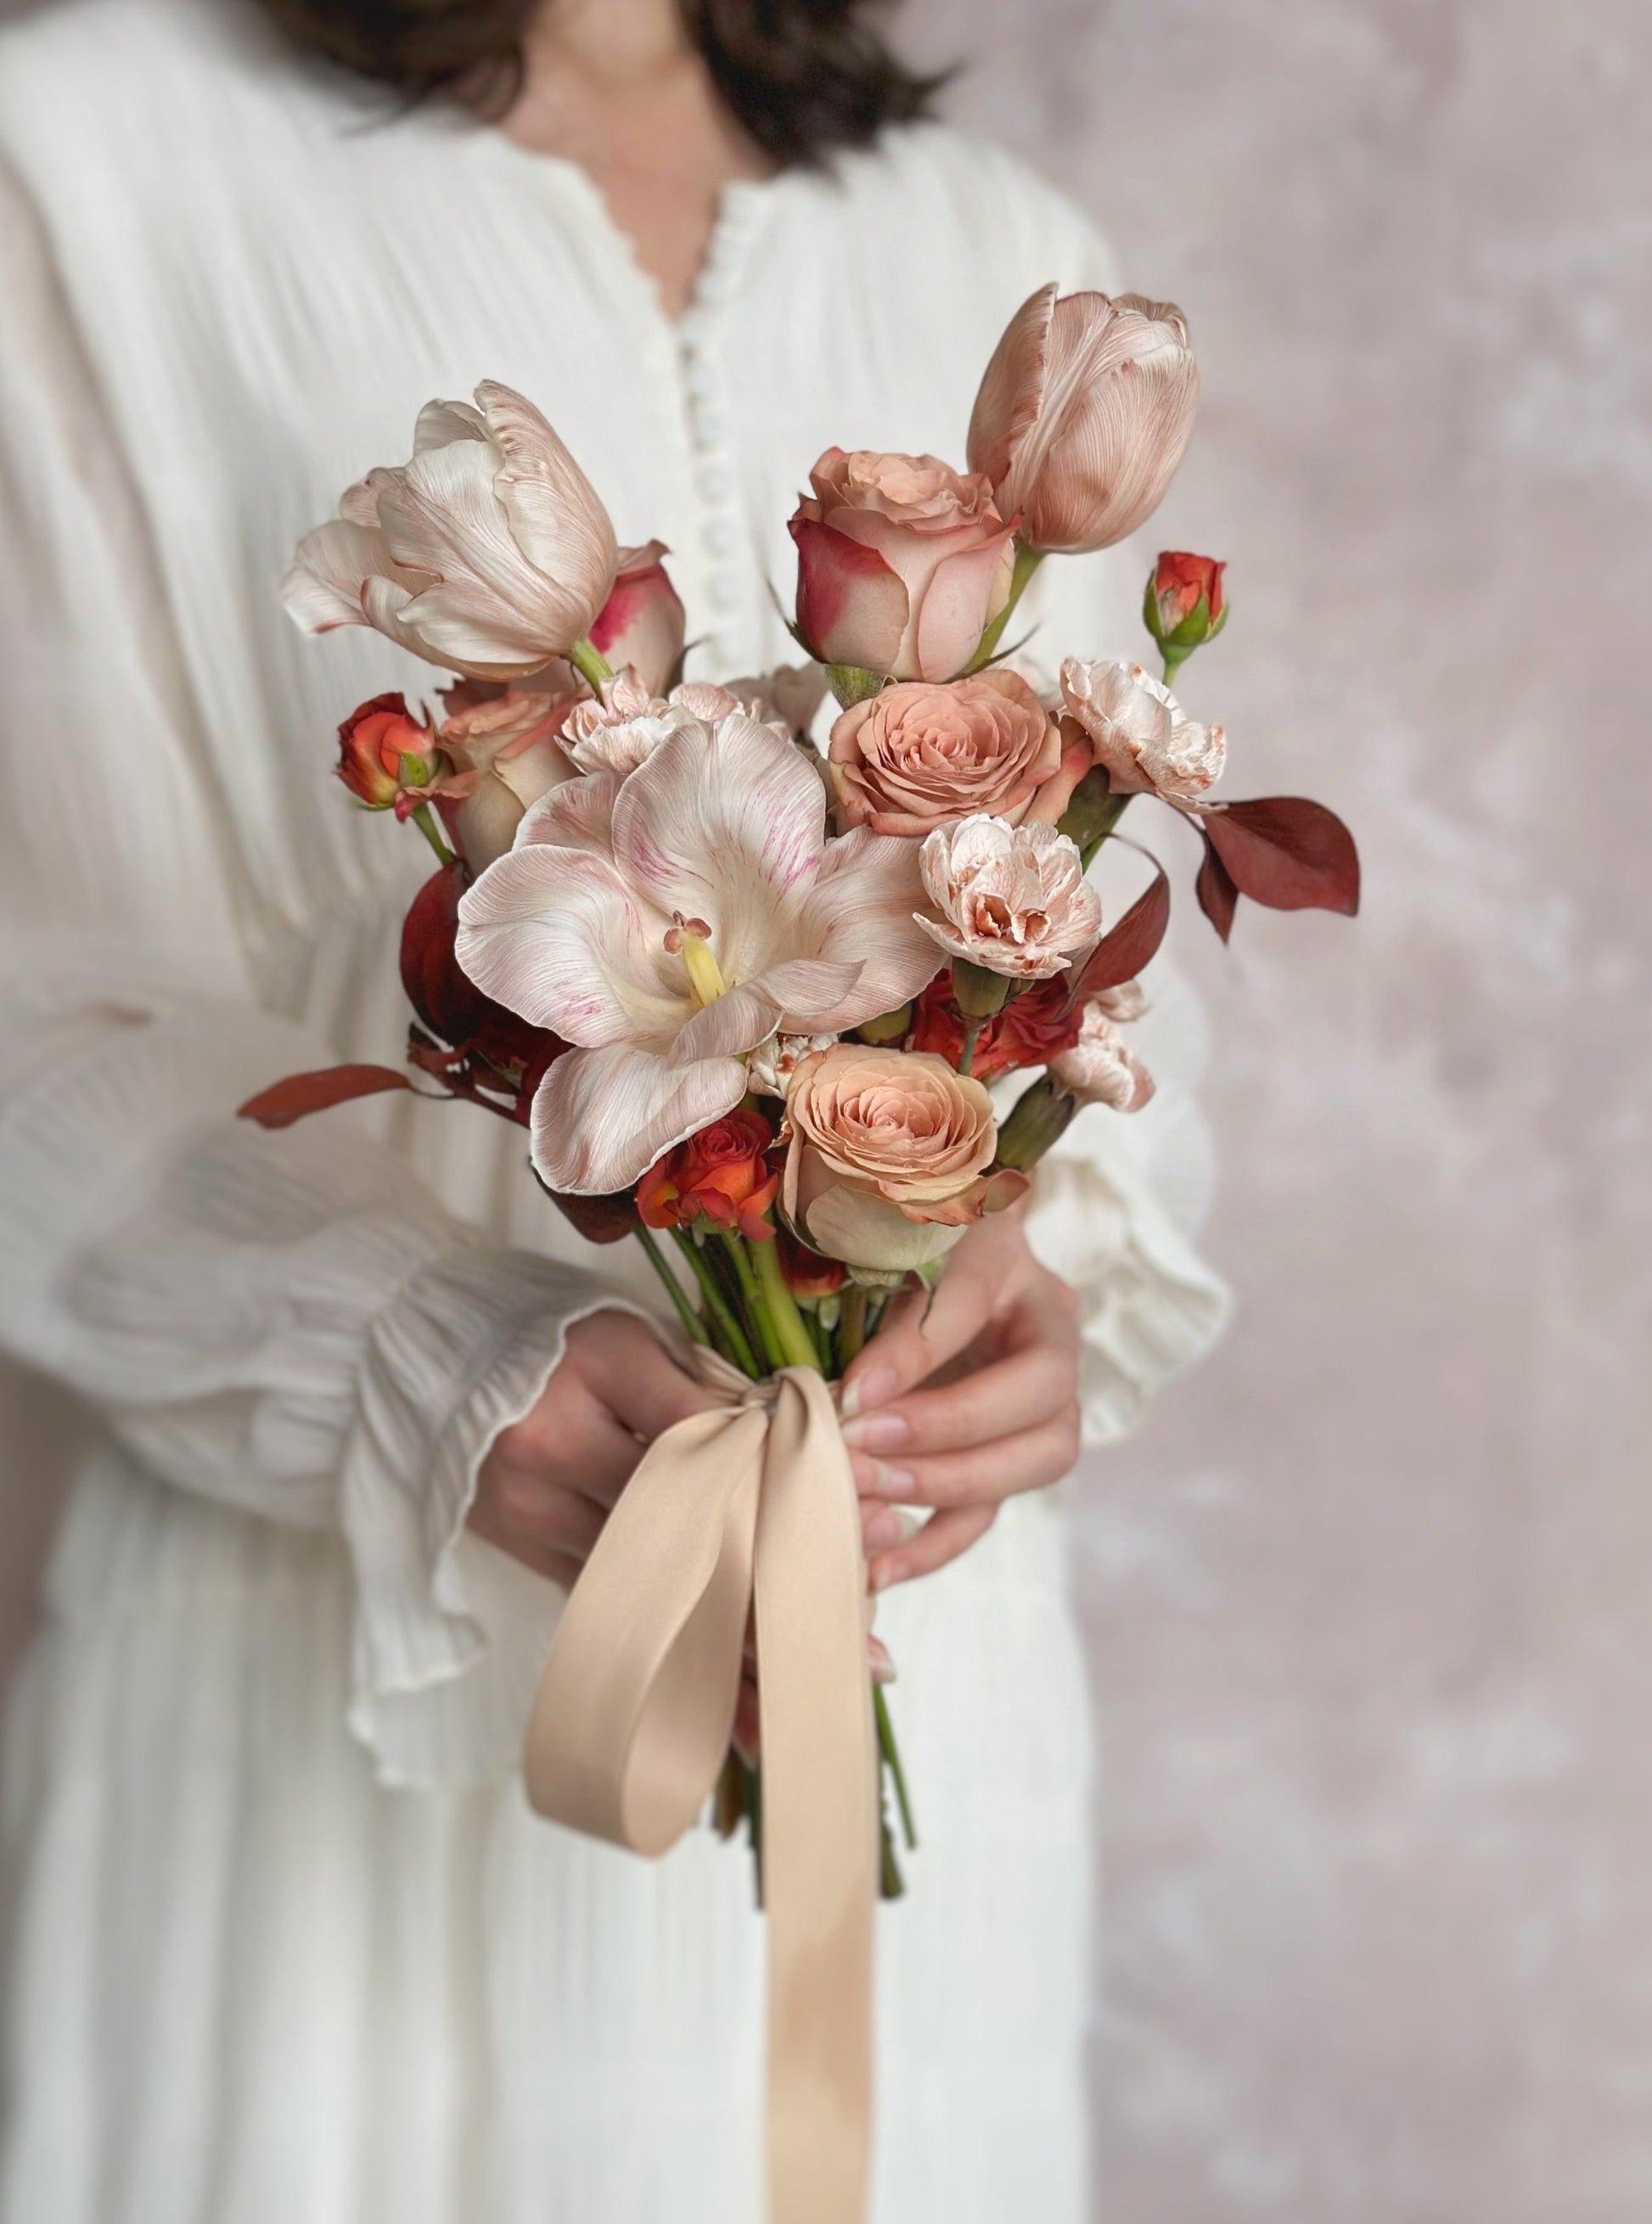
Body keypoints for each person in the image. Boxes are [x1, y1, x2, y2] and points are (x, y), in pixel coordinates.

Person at [0, 0, 1229, 2216]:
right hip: (327, 1758)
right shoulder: (76, 164)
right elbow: (24, 1013)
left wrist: (1029, 1263)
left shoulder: (1002, 253)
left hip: (909, 1722)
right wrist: (425, 1352)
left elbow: (1103, 963)